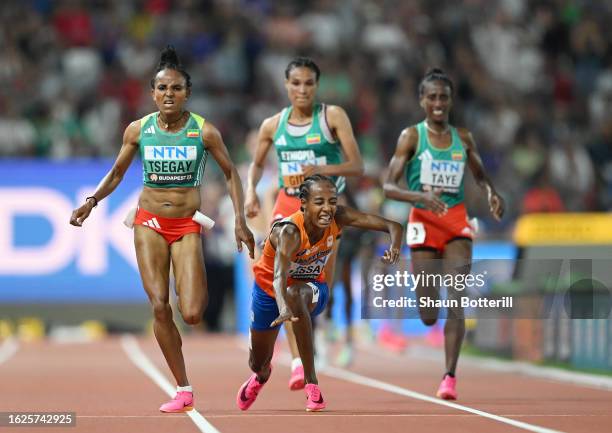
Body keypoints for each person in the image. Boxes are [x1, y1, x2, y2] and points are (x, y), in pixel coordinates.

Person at [69, 46, 255, 412]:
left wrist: (240, 220)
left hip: (186, 225)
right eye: (162, 89)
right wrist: (91, 202)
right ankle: (182, 388)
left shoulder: (205, 132)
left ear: (187, 93)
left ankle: (184, 369)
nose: (169, 94)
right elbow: (118, 172)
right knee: (158, 305)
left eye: (176, 89)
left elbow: (232, 174)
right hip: (149, 223)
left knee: (193, 313)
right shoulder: (139, 130)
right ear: (152, 93)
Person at [383, 68, 504, 400]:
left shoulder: (462, 138)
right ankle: (430, 320)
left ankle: (449, 376)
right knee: (427, 312)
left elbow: (480, 175)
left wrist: (492, 193)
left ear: (451, 101)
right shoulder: (411, 136)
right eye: (432, 97)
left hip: (456, 223)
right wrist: (419, 196)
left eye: (443, 97)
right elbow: (389, 185)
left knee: (457, 300)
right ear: (422, 100)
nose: (438, 103)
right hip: (423, 222)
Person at [244, 57, 364, 389]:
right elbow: (255, 164)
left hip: (326, 213)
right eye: (296, 83)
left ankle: (317, 336)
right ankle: (298, 362)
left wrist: (319, 172)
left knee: (321, 287)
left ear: (316, 86)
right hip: (287, 209)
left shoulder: (332, 117)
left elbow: (356, 165)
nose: (302, 89)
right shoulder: (272, 124)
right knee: (284, 283)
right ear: (286, 85)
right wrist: (251, 192)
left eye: (309, 83)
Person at [237, 174, 402, 411]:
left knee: (296, 294)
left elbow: (393, 225)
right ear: (303, 203)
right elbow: (278, 278)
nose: (327, 209)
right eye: (319, 202)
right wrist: (282, 308)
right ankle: (261, 377)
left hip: (311, 289)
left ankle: (312, 385)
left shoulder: (338, 217)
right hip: (268, 291)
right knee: (257, 362)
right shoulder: (290, 232)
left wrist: (395, 247)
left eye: (332, 201)